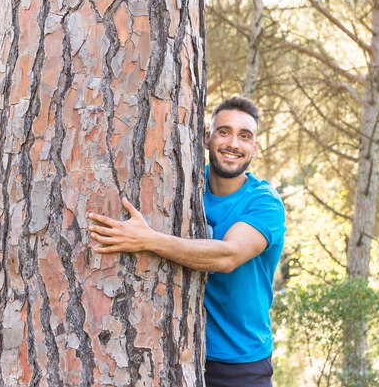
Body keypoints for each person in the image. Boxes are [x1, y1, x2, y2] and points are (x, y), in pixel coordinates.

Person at [88, 96, 286, 387]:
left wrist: (147, 240)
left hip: (240, 364)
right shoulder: (184, 183)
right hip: (179, 355)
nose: (233, 143)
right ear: (206, 138)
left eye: (244, 136)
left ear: (254, 147)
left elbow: (226, 257)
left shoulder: (264, 203)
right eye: (224, 131)